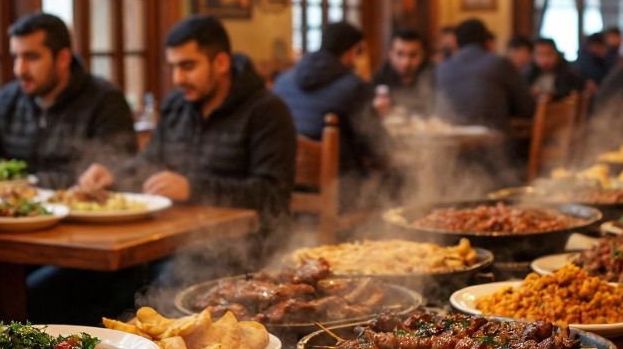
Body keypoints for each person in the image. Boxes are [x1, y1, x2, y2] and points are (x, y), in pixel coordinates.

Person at [79, 15, 296, 247]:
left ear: (221, 63)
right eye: (172, 67)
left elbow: (272, 196)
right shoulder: (177, 105)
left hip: (244, 246)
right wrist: (113, 176)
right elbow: (149, 163)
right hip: (173, 238)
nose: (177, 78)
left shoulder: (267, 111)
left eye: (188, 66)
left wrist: (193, 189)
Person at [0, 13, 136, 188]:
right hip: (22, 212)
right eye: (16, 57)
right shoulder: (10, 98)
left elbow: (120, 165)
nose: (20, 70)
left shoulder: (105, 99)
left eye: (31, 57)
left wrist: (26, 184)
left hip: (82, 215)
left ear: (63, 59)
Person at [273, 21, 391, 185]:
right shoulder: (354, 86)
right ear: (352, 51)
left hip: (286, 178)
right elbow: (374, 142)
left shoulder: (282, 81)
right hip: (339, 183)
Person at [434, 18, 535, 136]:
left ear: (456, 42)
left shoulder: (441, 68)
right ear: (486, 41)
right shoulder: (500, 64)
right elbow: (528, 109)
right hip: (493, 146)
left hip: (450, 148)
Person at [371, 28, 435, 116]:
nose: (406, 62)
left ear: (423, 55)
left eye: (413, 55)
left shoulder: (434, 75)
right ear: (390, 54)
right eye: (400, 54)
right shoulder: (380, 78)